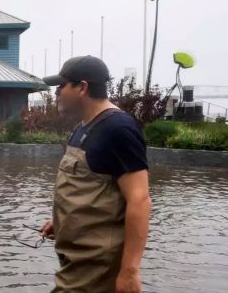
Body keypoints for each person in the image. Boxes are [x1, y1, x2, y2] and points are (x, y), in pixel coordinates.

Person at [39, 56, 151, 293]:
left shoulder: (118, 129)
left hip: (98, 268)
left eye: (62, 85)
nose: (57, 92)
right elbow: (92, 192)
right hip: (76, 262)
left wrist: (129, 272)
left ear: (82, 87)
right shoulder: (83, 128)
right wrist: (61, 223)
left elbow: (139, 200)